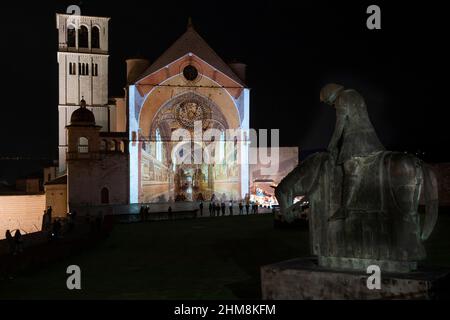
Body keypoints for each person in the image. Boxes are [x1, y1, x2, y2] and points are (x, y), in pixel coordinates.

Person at [320, 83, 385, 220]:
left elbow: (340, 126)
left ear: (331, 96)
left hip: (355, 140)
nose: (331, 105)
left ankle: (344, 209)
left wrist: (332, 145)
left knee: (349, 168)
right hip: (371, 138)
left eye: (329, 102)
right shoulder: (355, 94)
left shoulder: (341, 99)